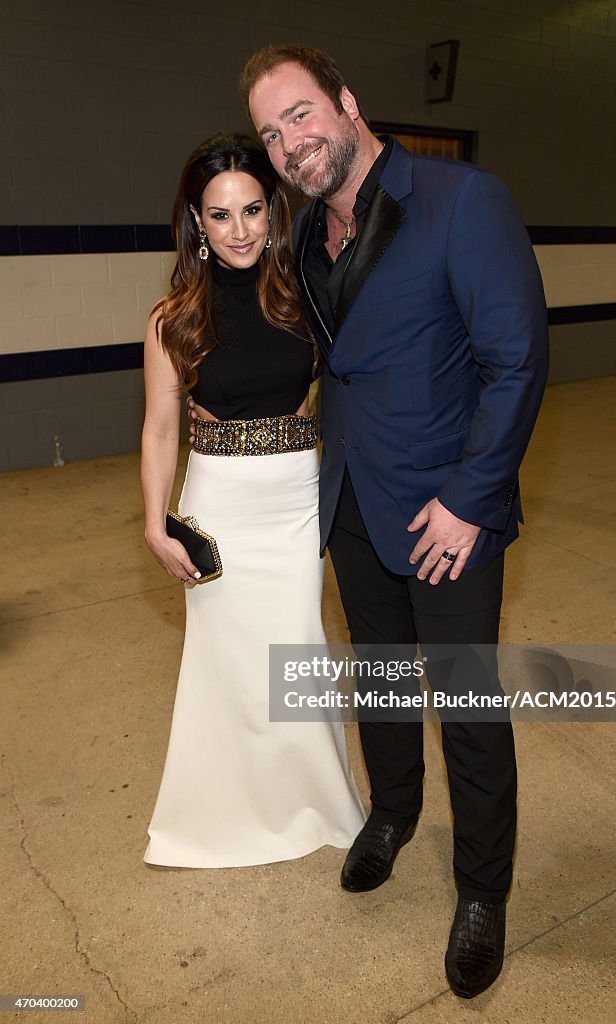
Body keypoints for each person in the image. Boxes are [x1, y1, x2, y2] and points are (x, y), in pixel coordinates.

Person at [235, 45, 550, 999]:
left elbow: (517, 359)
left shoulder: (461, 199)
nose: (290, 143)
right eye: (271, 133)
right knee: (376, 680)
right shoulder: (301, 238)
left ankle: (482, 891)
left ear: (345, 102)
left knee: (465, 704)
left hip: (445, 511)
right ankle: (392, 814)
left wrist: (469, 500)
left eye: (300, 115)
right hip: (355, 510)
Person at [140, 132, 365, 869]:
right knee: (228, 662)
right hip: (222, 506)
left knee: (296, 650)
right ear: (196, 225)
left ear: (273, 211)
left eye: (251, 210)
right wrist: (154, 522)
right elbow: (161, 425)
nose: (239, 230)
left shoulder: (305, 294)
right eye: (219, 215)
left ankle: (314, 802)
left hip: (298, 499)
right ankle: (221, 815)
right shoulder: (172, 317)